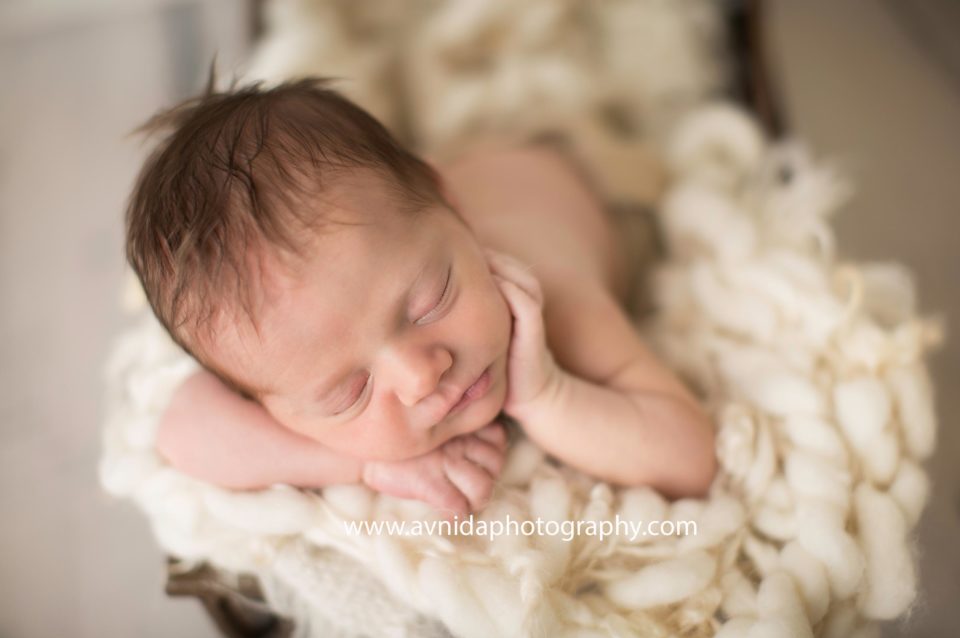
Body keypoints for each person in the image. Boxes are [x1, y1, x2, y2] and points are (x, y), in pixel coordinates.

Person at [125, 77, 717, 518]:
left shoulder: (551, 301)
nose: (421, 376)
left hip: (575, 169)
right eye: (348, 392)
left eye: (430, 302)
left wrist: (547, 394)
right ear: (273, 405)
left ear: (450, 207)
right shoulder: (299, 348)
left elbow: (691, 456)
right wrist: (371, 464)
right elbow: (181, 430)